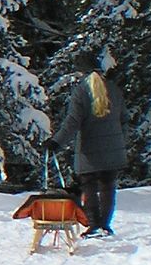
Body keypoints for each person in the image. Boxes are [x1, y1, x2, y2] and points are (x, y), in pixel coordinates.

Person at [49, 49, 128, 237]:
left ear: (80, 71)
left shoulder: (81, 91)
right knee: (108, 187)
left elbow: (72, 122)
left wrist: (56, 142)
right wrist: (119, 139)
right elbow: (124, 118)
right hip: (114, 151)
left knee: (90, 187)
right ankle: (105, 225)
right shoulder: (114, 89)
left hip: (89, 151)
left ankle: (94, 225)